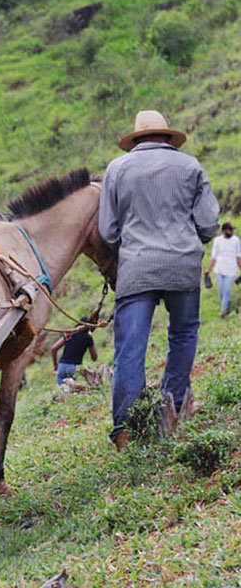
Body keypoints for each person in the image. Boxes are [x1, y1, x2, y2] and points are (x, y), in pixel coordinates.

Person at [99, 110, 220, 452]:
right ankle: (173, 405)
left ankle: (125, 429)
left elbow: (107, 230)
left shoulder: (117, 169)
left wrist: (134, 243)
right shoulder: (191, 167)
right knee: (182, 334)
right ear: (167, 137)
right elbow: (210, 223)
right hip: (183, 266)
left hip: (137, 268)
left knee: (130, 349)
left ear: (136, 139)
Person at [205, 222, 241, 318]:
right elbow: (213, 257)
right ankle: (224, 307)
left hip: (231, 270)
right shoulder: (217, 241)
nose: (232, 231)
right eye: (230, 230)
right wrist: (208, 269)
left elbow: (238, 257)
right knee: (221, 292)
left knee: (226, 291)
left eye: (232, 230)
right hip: (219, 270)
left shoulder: (236, 240)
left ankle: (223, 312)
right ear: (224, 231)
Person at [50, 319, 98, 385]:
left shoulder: (70, 334)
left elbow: (53, 349)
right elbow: (94, 358)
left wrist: (55, 366)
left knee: (63, 392)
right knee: (75, 392)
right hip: (75, 368)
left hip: (62, 366)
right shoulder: (87, 337)